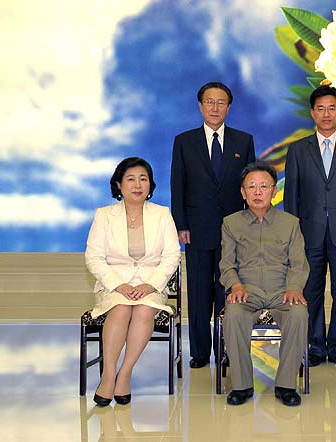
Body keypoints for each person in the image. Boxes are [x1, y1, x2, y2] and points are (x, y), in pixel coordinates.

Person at [171, 82, 256, 369]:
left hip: (234, 231)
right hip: (196, 229)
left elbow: (251, 186)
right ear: (200, 106)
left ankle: (226, 349)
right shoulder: (184, 141)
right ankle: (199, 352)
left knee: (228, 291)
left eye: (221, 102)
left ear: (229, 107)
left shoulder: (243, 141)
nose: (215, 107)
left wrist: (250, 224)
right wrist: (181, 224)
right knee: (198, 292)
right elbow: (178, 186)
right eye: (209, 102)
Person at [283, 85, 336, 367]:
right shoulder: (298, 150)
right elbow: (291, 197)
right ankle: (316, 346)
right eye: (320, 109)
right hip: (309, 234)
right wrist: (293, 236)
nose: (326, 114)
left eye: (332, 108)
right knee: (312, 291)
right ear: (312, 113)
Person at [85, 157, 181, 406]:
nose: (138, 185)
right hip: (115, 285)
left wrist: (150, 285)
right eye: (131, 179)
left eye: (143, 179)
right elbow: (93, 257)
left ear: (150, 185)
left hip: (151, 285)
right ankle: (108, 376)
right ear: (119, 184)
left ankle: (124, 374)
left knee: (144, 310)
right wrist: (119, 285)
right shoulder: (104, 216)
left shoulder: (162, 214)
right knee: (120, 308)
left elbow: (172, 255)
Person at [219, 162, 310, 406]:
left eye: (264, 186)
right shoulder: (231, 223)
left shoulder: (290, 223)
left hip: (282, 290)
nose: (258, 192)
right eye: (252, 187)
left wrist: (294, 288)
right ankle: (242, 386)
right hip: (247, 291)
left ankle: (286, 385)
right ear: (243, 192)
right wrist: (235, 286)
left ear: (274, 191)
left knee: (298, 314)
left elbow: (298, 263)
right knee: (233, 314)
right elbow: (227, 264)